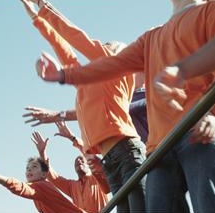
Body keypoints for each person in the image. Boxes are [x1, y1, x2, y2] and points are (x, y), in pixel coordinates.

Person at [34, 0, 215, 212]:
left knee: (207, 204)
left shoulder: (208, 10)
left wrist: (211, 114)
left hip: (198, 132)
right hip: (159, 149)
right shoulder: (151, 38)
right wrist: (64, 75)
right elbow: (112, 64)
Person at [21, 0, 146, 212]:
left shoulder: (116, 69)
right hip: (109, 160)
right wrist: (36, 18)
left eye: (108, 46)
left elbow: (77, 37)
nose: (103, 47)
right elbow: (62, 49)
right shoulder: (88, 83)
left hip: (127, 151)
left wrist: (43, 7)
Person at [31, 127, 109, 213]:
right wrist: (42, 153)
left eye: (82, 160)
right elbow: (53, 177)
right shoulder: (72, 186)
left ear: (88, 164)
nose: (79, 161)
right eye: (76, 162)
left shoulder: (96, 178)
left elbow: (90, 155)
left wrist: (72, 137)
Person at [0, 156, 86, 213]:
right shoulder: (36, 192)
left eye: (34, 166)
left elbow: (19, 187)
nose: (29, 169)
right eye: (27, 168)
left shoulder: (42, 186)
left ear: (44, 174)